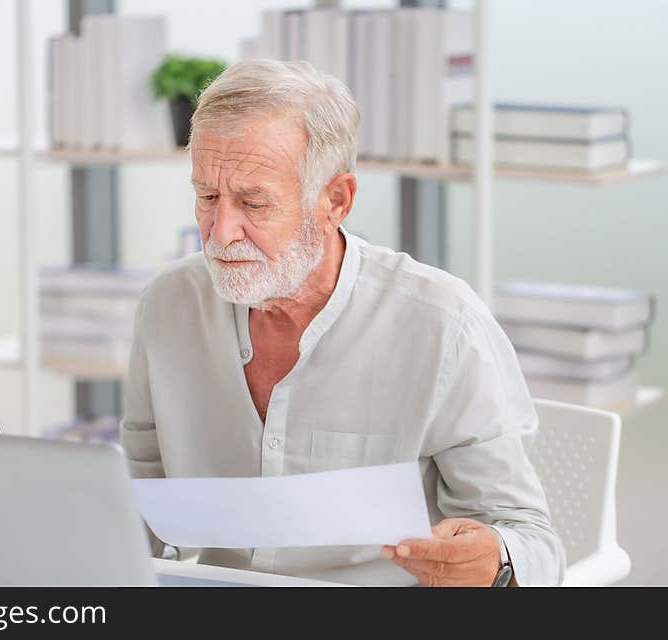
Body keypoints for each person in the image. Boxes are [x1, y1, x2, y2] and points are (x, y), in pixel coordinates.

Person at [119, 59, 564, 586]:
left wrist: (495, 562)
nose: (220, 233)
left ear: (336, 201)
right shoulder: (168, 306)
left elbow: (530, 541)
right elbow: (134, 507)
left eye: (254, 203)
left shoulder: (443, 326)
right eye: (207, 197)